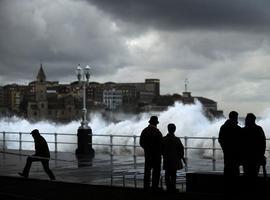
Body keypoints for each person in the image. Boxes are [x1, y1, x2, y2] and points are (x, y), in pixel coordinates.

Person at [140, 116, 163, 190]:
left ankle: (146, 186)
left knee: (147, 170)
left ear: (150, 122)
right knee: (156, 171)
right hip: (156, 155)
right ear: (156, 123)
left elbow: (141, 143)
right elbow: (161, 144)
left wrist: (147, 149)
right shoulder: (157, 132)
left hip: (148, 154)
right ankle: (154, 186)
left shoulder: (144, 130)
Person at [162, 123, 185, 192]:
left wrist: (164, 155)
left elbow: (160, 149)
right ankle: (173, 188)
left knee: (167, 173)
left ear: (168, 129)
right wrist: (181, 157)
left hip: (166, 159)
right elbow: (181, 149)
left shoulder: (164, 139)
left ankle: (168, 187)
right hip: (175, 160)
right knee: (173, 174)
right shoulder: (177, 139)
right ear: (174, 130)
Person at [218, 111, 242, 177]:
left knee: (227, 168)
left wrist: (224, 148)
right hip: (236, 153)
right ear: (235, 118)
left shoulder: (223, 127)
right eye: (236, 117)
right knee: (235, 169)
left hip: (227, 152)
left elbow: (220, 139)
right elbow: (241, 141)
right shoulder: (238, 129)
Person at [242, 113, 266, 178]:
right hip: (256, 157)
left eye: (246, 119)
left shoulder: (243, 130)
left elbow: (240, 144)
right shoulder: (259, 129)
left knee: (246, 174)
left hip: (246, 157)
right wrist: (262, 155)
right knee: (254, 175)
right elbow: (263, 143)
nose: (245, 121)